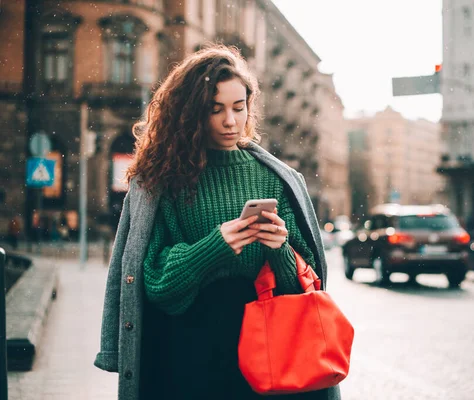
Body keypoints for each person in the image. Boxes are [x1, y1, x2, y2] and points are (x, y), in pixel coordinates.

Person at [94, 44, 339, 400]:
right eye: (216, 109)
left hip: (270, 351)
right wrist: (215, 247)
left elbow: (305, 287)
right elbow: (156, 284)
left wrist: (279, 249)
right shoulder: (161, 179)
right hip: (187, 354)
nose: (230, 121)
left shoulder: (276, 177)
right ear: (190, 112)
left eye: (239, 108)